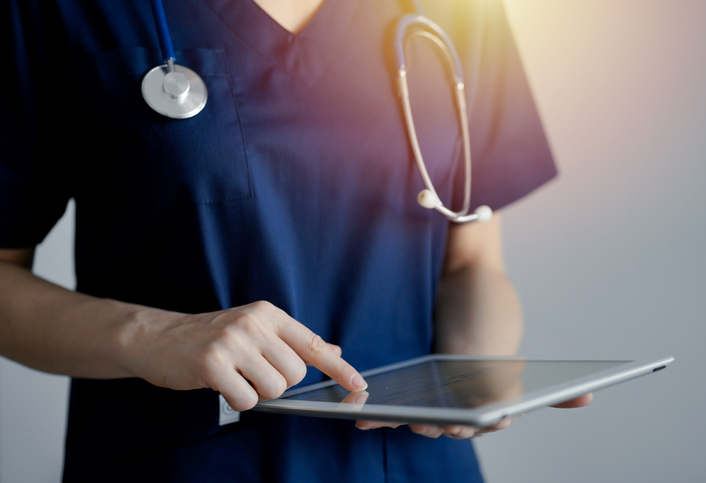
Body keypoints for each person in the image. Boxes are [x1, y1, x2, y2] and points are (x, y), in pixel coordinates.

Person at [0, 0, 590, 481]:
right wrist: (152, 336)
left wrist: (471, 377)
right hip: (188, 465)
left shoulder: (461, 12)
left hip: (414, 464)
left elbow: (473, 263)